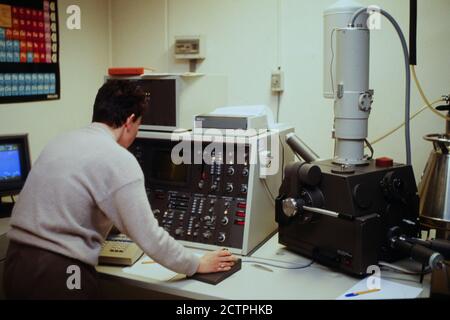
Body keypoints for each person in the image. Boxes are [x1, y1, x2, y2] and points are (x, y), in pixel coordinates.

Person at [3, 80, 237, 299]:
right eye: (138, 125)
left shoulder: (60, 141)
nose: (136, 133)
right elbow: (151, 239)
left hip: (16, 264)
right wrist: (196, 264)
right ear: (130, 121)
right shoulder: (117, 159)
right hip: (61, 273)